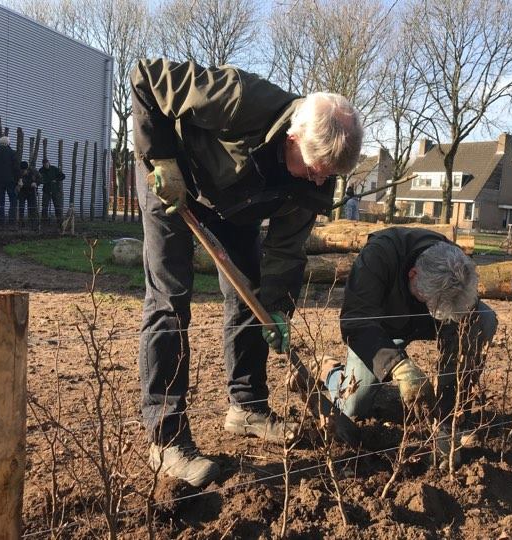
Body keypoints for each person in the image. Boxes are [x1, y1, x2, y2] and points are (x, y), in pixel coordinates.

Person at [131, 58, 363, 487]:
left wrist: (277, 308)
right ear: (292, 136)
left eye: (327, 176)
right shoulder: (237, 97)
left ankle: (248, 407)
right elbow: (144, 78)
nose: (317, 182)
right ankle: (166, 439)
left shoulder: (319, 173)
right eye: (313, 169)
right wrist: (161, 158)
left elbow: (287, 247)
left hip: (234, 206)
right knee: (170, 298)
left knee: (250, 296)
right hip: (175, 182)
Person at [325, 227, 497, 468]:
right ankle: (329, 370)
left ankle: (449, 420)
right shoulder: (377, 256)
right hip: (378, 330)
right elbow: (355, 321)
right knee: (353, 406)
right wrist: (398, 366)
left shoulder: (455, 266)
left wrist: (446, 422)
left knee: (484, 318)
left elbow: (464, 319)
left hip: (421, 323)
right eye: (429, 301)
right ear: (412, 274)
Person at [0, 136, 20, 227]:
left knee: (0, 201)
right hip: (11, 181)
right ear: (8, 143)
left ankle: (0, 222)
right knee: (13, 201)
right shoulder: (12, 153)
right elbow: (16, 168)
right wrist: (19, 179)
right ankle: (12, 222)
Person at [39, 158, 65, 226]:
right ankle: (44, 222)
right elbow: (39, 179)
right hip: (46, 190)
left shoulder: (54, 169)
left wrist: (56, 180)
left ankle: (59, 222)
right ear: (43, 164)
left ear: (49, 163)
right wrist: (41, 181)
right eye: (44, 164)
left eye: (47, 164)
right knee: (44, 206)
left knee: (57, 206)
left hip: (55, 190)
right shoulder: (41, 170)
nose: (46, 165)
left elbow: (62, 176)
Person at [17, 161, 41, 229]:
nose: (23, 172)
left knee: (32, 208)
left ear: (27, 169)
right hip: (22, 192)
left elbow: (40, 179)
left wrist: (36, 183)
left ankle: (34, 225)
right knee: (21, 207)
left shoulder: (34, 171)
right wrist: (18, 185)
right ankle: (21, 224)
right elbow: (16, 181)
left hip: (31, 192)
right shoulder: (18, 172)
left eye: (24, 171)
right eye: (22, 171)